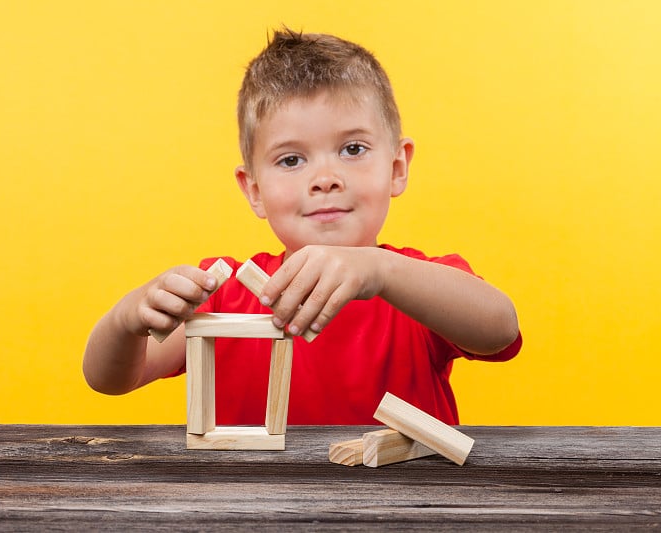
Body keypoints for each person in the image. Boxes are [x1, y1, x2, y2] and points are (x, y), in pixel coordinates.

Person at [83, 29, 521, 425]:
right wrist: (127, 318)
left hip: (401, 506)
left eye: (352, 148)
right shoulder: (227, 297)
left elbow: (500, 330)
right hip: (251, 507)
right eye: (291, 159)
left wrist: (378, 270)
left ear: (397, 167)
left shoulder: (416, 286)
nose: (324, 178)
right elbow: (111, 379)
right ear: (253, 189)